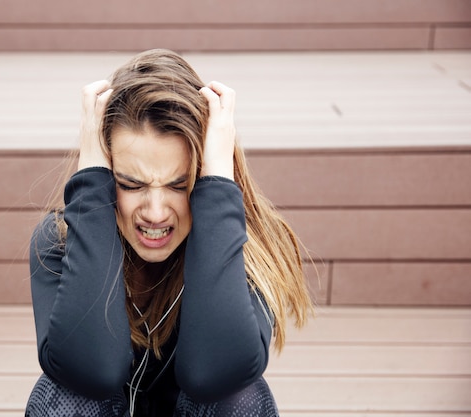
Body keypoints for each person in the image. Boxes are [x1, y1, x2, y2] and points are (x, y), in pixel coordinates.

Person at [25, 49, 313, 417]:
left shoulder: (251, 245)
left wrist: (219, 182)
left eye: (180, 185)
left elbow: (216, 375)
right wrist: (91, 187)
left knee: (241, 399)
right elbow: (90, 371)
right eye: (130, 184)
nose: (156, 212)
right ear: (103, 172)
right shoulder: (60, 242)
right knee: (63, 398)